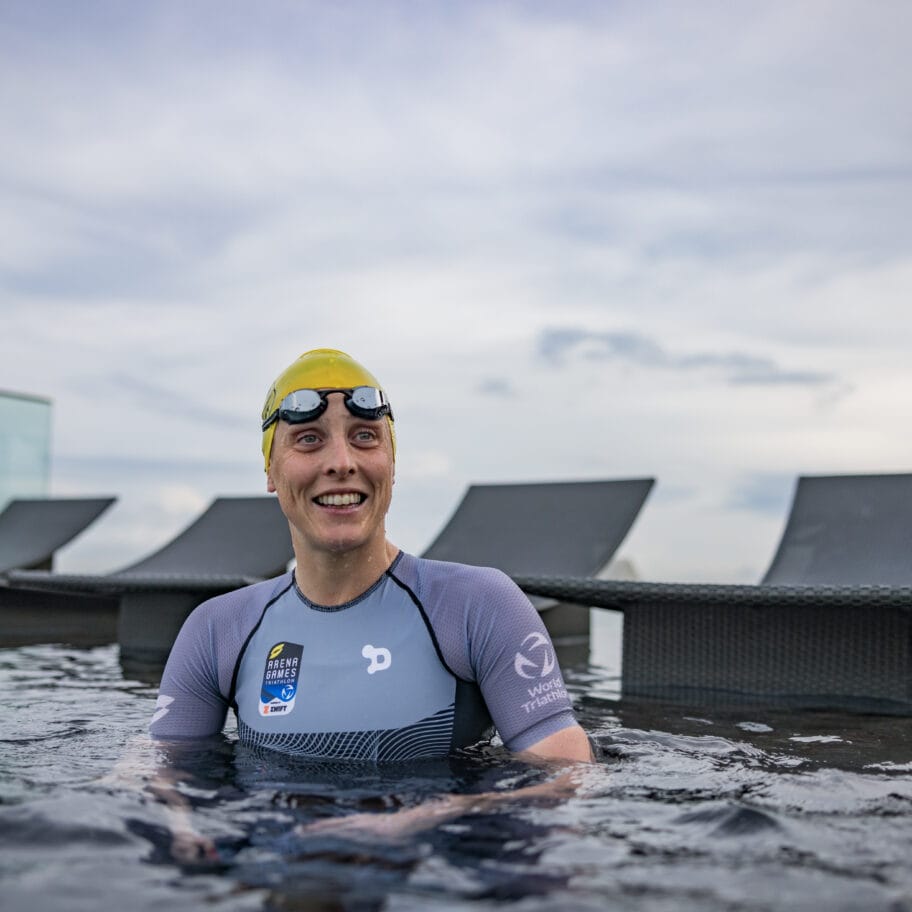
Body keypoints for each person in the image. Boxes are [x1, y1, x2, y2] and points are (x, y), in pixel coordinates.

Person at [149, 348, 591, 842]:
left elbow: (570, 774)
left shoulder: (476, 605)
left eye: (365, 437)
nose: (341, 463)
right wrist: (182, 826)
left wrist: (435, 816)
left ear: (392, 464)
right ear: (271, 473)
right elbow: (162, 771)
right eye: (308, 440)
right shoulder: (218, 629)